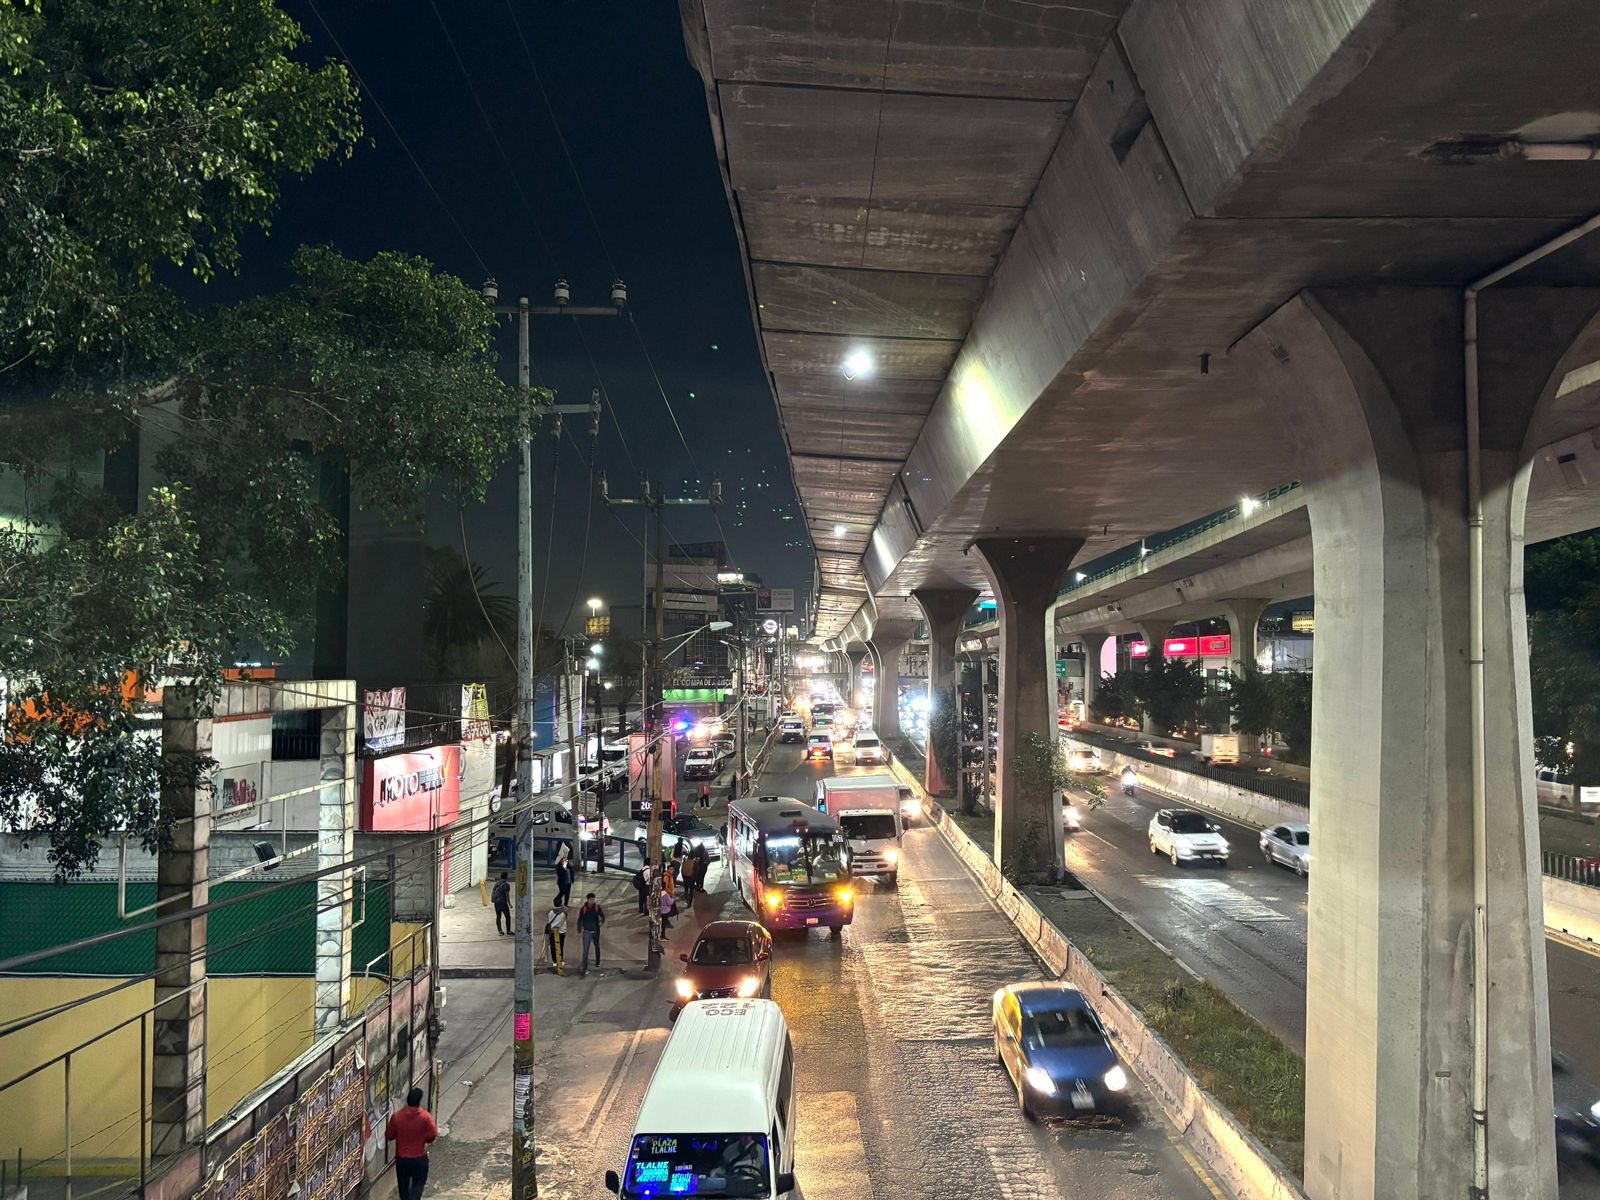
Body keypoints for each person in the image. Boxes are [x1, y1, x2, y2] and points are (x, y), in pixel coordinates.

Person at [384, 1087, 437, 1200]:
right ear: (419, 1101)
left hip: (402, 1159)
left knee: (403, 1187)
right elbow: (432, 1135)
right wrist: (424, 1140)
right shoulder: (425, 1117)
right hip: (419, 1157)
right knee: (418, 1184)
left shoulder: (397, 1117)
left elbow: (389, 1135)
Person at [577, 892, 606, 975]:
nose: (592, 901)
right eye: (591, 899)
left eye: (593, 899)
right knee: (586, 950)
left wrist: (601, 922)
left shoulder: (597, 907)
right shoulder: (583, 909)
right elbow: (580, 919)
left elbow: (602, 916)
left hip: (596, 930)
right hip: (587, 931)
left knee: (597, 946)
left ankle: (597, 962)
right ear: (588, 900)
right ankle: (585, 968)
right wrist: (579, 928)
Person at [544, 895, 567, 975]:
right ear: (561, 903)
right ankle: (560, 961)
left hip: (552, 932)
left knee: (553, 947)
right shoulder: (563, 913)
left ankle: (555, 961)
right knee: (560, 947)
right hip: (561, 932)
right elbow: (565, 913)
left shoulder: (550, 913)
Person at [491, 872, 512, 936]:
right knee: (508, 917)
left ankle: (500, 931)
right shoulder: (506, 885)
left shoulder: (497, 883)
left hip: (496, 902)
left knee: (498, 916)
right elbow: (507, 896)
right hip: (503, 903)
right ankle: (508, 931)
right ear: (506, 877)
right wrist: (510, 904)